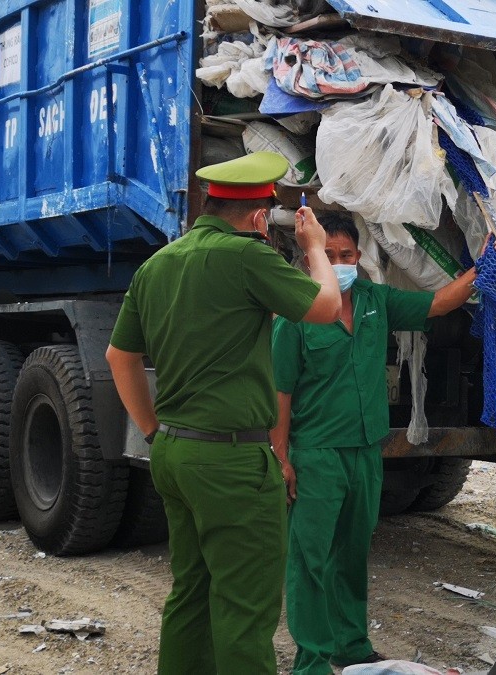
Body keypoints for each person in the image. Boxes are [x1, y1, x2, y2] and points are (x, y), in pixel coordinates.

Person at [105, 151, 342, 675]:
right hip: (232, 463)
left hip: (174, 452)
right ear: (260, 217)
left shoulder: (158, 263)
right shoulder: (246, 256)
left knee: (190, 595)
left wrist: (152, 429)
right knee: (244, 610)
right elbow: (325, 308)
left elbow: (119, 357)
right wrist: (317, 249)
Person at [271, 216, 494, 674]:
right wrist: (282, 457)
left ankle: (350, 645)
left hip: (366, 451)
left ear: (359, 257)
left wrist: (482, 268)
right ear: (312, 259)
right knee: (310, 559)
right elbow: (281, 393)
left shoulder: (376, 300)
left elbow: (437, 304)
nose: (338, 264)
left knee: (352, 553)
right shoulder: (297, 312)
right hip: (317, 453)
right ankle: (311, 660)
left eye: (346, 256)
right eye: (328, 256)